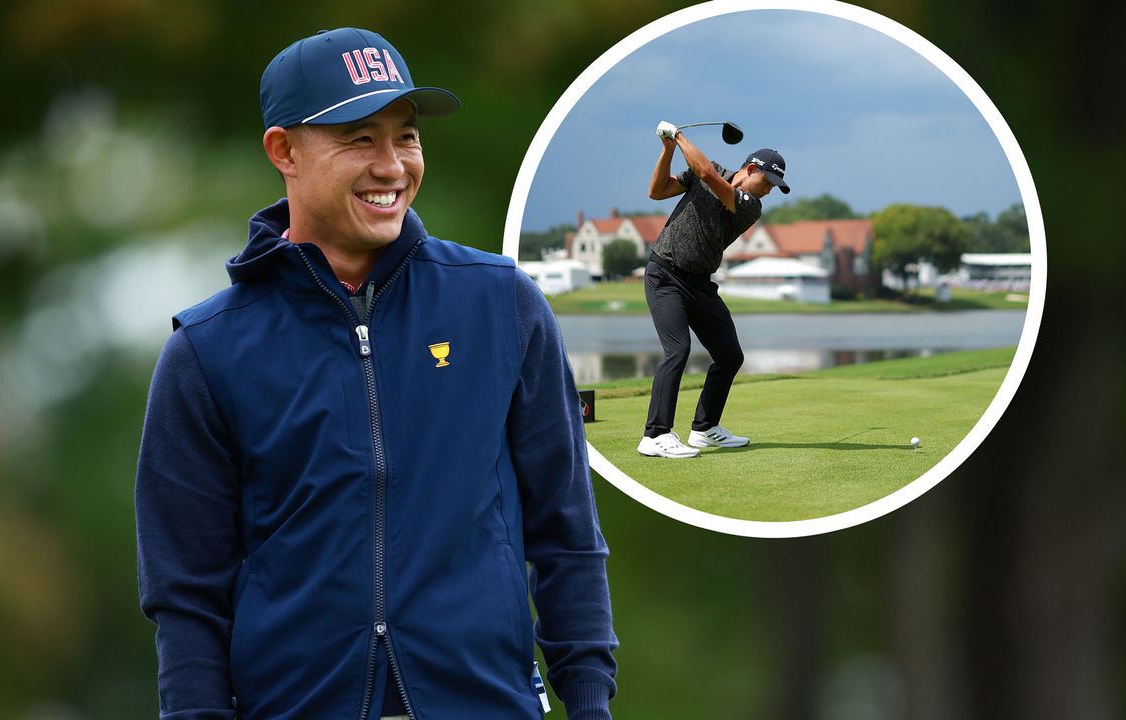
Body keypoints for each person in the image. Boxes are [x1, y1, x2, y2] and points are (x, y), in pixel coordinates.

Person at [134, 28, 617, 720]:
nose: (391, 166)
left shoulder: (502, 304)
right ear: (284, 152)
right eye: (359, 138)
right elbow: (186, 598)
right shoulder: (207, 353)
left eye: (406, 136)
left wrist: (590, 704)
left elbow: (567, 534)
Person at [636, 120, 790, 459]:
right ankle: (656, 434)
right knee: (677, 351)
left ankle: (704, 429)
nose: (769, 190)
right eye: (768, 181)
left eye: (775, 186)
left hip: (701, 285)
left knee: (730, 356)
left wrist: (678, 136)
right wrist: (667, 150)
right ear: (751, 168)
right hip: (665, 275)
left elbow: (706, 175)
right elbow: (658, 191)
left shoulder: (749, 205)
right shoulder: (709, 172)